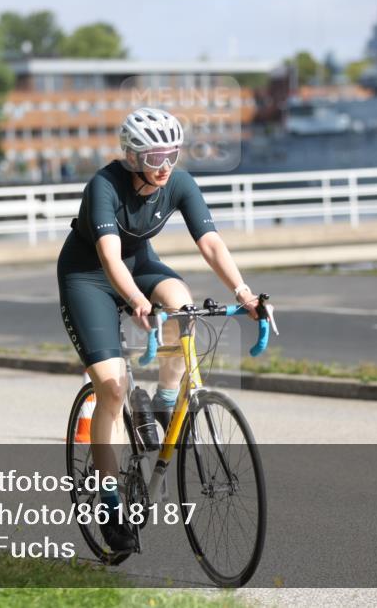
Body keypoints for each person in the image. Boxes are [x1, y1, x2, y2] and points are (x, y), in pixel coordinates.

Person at [57, 107, 260, 553]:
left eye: (171, 154)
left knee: (183, 304)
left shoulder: (179, 184)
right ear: (131, 157)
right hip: (87, 276)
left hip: (140, 266)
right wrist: (134, 302)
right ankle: (109, 506)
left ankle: (167, 399)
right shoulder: (103, 187)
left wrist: (244, 293)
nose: (165, 166)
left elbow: (209, 243)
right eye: (154, 158)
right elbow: (109, 259)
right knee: (111, 388)